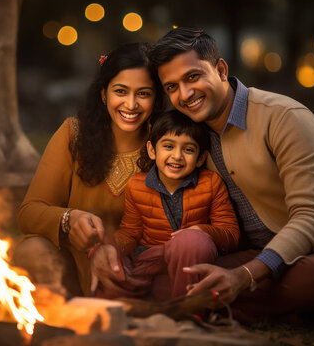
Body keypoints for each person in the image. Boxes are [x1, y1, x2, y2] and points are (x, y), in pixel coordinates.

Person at [141, 27, 314, 321]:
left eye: (193, 77)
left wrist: (245, 275)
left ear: (221, 69)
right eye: (171, 87)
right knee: (162, 283)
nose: (184, 94)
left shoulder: (284, 117)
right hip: (258, 252)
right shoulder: (189, 134)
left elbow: (313, 217)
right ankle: (239, 305)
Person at [14, 42, 164, 297]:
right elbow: (28, 213)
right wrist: (69, 219)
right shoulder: (73, 134)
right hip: (73, 267)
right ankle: (75, 315)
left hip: (132, 269)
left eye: (143, 93)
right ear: (104, 94)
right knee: (31, 252)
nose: (130, 104)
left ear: (156, 98)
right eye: (121, 91)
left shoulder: (167, 145)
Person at [93, 110, 239, 300]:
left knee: (191, 241)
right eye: (169, 146)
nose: (177, 156)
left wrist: (201, 231)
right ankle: (139, 302)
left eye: (188, 149)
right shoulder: (137, 186)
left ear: (200, 158)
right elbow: (131, 232)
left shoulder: (210, 183)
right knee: (113, 270)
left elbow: (231, 235)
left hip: (192, 258)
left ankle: (187, 310)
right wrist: (110, 246)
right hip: (153, 258)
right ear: (153, 150)